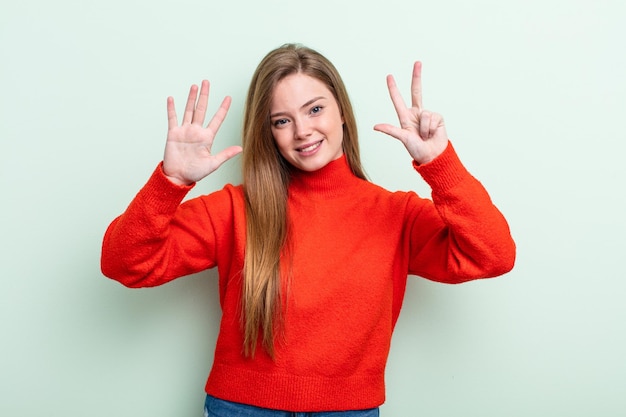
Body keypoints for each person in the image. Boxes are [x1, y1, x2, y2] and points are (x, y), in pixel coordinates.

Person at [101, 43, 515, 416]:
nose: (302, 132)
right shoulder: (234, 209)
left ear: (341, 112)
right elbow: (125, 264)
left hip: (349, 411)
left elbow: (493, 255)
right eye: (281, 120)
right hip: (242, 408)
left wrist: (441, 164)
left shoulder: (396, 215)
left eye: (315, 109)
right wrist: (170, 182)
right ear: (269, 133)